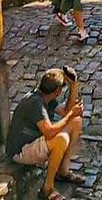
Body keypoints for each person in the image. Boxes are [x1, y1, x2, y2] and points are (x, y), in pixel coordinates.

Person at [5, 67, 84, 199]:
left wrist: (74, 87)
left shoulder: (46, 97)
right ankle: (47, 188)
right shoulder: (35, 103)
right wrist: (71, 113)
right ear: (57, 91)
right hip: (19, 151)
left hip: (33, 142)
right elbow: (49, 131)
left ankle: (63, 171)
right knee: (61, 139)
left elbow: (66, 111)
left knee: (76, 121)